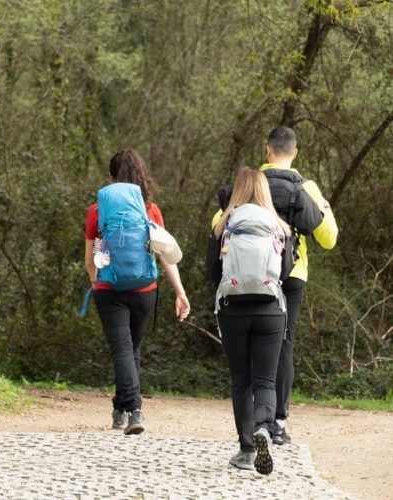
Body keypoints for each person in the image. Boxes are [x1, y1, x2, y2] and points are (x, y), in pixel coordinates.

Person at [213, 126, 338, 445]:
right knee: (282, 343)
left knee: (246, 355)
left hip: (243, 279)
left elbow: (217, 226)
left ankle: (250, 426)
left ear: (267, 150)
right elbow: (329, 239)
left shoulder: (249, 184)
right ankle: (276, 421)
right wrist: (322, 206)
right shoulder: (305, 188)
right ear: (294, 152)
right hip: (290, 274)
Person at [84, 149, 190, 435]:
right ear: (142, 176)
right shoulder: (150, 210)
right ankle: (121, 407)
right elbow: (166, 254)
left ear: (112, 177)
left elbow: (90, 258)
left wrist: (96, 282)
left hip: (110, 289)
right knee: (132, 350)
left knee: (122, 350)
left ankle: (134, 409)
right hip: (145, 289)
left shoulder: (97, 210)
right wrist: (180, 292)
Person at [212, 166, 291, 475]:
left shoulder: (224, 224)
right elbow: (283, 273)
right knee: (266, 381)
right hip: (270, 309)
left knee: (242, 380)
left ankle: (246, 451)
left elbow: (211, 271)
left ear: (237, 191)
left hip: (233, 309)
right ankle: (263, 427)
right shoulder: (279, 226)